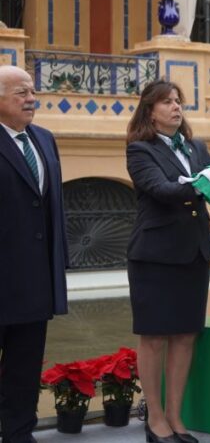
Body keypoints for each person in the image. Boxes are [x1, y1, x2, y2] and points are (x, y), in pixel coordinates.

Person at [126, 79, 210, 443]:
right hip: (155, 257)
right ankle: (156, 419)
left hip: (195, 250)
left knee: (184, 336)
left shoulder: (197, 147)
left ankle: (177, 418)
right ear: (150, 110)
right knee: (154, 338)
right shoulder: (140, 150)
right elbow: (164, 190)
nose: (176, 107)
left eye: (179, 101)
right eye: (167, 102)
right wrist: (207, 181)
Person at [0, 65, 69, 443]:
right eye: (21, 93)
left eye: (31, 91)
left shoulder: (44, 139)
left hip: (34, 282)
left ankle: (19, 434)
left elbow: (50, 209)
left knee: (24, 369)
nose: (31, 99)